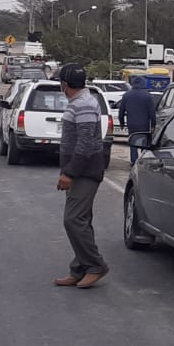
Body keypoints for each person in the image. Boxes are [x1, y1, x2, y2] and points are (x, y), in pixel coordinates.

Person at [55, 64, 109, 289]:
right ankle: (79, 269)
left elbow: (86, 143)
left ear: (64, 84)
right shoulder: (81, 102)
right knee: (82, 220)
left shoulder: (84, 104)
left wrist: (69, 173)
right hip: (81, 170)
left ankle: (96, 265)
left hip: (85, 172)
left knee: (73, 220)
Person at [119, 75, 159, 164]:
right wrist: (153, 124)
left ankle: (134, 161)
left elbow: (121, 111)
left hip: (131, 124)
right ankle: (143, 161)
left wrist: (122, 123)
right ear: (143, 83)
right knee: (144, 143)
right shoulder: (147, 96)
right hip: (144, 124)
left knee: (133, 142)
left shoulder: (127, 95)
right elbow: (152, 112)